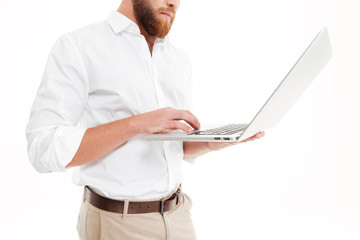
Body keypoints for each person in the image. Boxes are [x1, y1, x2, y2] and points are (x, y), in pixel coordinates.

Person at [25, 0, 265, 239]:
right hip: (116, 223)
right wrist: (136, 124)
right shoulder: (79, 46)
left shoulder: (178, 59)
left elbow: (173, 146)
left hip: (179, 216)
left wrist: (215, 142)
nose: (173, 3)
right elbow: (43, 148)